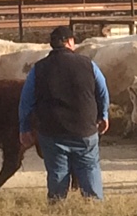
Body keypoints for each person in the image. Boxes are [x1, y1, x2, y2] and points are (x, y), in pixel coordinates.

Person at [18, 25, 109, 201]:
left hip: (52, 131)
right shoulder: (88, 64)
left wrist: (24, 128)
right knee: (89, 169)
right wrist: (103, 115)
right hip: (85, 129)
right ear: (70, 42)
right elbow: (102, 90)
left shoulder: (38, 69)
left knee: (57, 172)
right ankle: (94, 207)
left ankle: (57, 207)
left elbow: (26, 101)